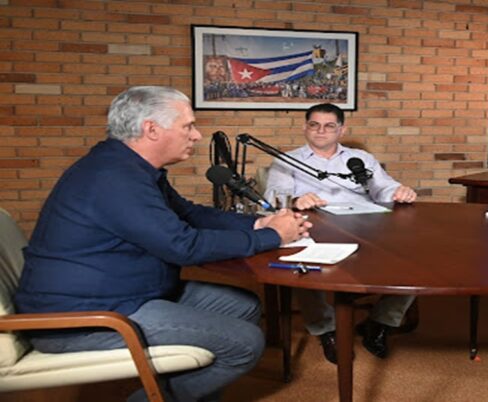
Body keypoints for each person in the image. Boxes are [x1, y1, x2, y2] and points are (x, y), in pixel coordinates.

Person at [14, 86, 311, 402]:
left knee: (243, 305)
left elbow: (189, 214)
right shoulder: (114, 178)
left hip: (124, 293)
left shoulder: (130, 167)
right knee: (245, 343)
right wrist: (272, 237)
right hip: (82, 318)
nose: (196, 135)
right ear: (151, 129)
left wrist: (257, 224)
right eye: (188, 126)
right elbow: (183, 246)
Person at [265, 103, 417, 364]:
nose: (320, 131)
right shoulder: (287, 160)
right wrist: (297, 199)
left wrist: (398, 191)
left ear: (341, 130)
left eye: (329, 126)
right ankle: (327, 330)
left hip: (366, 226)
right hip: (313, 227)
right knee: (302, 266)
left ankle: (380, 323)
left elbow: (383, 187)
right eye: (314, 125)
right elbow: (273, 196)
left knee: (411, 260)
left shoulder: (360, 159)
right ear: (305, 128)